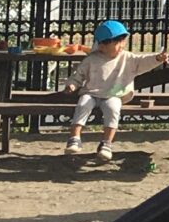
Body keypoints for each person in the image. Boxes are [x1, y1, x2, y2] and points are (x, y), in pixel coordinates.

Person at [66, 19, 159, 156]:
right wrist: (73, 84)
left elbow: (143, 61)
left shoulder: (127, 58)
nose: (121, 45)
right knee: (83, 104)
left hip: (114, 95)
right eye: (117, 43)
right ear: (102, 46)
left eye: (123, 41)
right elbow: (78, 74)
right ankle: (75, 138)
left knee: (113, 109)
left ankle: (106, 143)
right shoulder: (91, 59)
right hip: (91, 93)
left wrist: (157, 58)